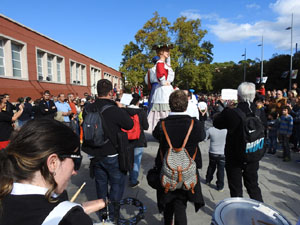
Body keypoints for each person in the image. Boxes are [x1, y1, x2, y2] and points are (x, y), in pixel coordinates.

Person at [0, 119, 106, 225]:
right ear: (53, 163)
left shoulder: (5, 199)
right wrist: (73, 216)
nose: (74, 172)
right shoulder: (73, 220)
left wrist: (74, 210)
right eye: (76, 160)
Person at [83, 79, 133, 222]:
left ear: (97, 91)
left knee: (100, 184)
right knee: (116, 185)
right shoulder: (114, 109)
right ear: (111, 92)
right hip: (112, 154)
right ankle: (113, 215)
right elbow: (129, 125)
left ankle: (103, 213)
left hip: (94, 154)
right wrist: (122, 109)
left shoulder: (87, 108)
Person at [153, 90, 205, 225]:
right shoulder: (195, 124)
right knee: (181, 205)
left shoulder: (162, 124)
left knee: (168, 202)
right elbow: (202, 137)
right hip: (188, 171)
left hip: (167, 170)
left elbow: (155, 136)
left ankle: (168, 221)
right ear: (186, 105)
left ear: (170, 105)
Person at [213, 82, 264, 202]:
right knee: (253, 186)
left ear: (238, 96)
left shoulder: (232, 112)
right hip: (253, 151)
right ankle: (260, 211)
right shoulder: (259, 112)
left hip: (234, 155)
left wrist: (226, 109)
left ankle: (238, 214)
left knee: (236, 189)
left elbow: (217, 124)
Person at [123, 93, 149, 188]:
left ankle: (128, 175)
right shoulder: (141, 112)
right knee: (136, 160)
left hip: (126, 139)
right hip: (139, 139)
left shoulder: (123, 111)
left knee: (128, 158)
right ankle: (133, 180)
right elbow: (146, 127)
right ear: (138, 101)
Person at [147, 43, 175, 132]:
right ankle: (163, 130)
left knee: (166, 109)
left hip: (166, 89)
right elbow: (160, 74)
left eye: (168, 51)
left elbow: (168, 63)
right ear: (161, 52)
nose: (168, 52)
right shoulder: (159, 63)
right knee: (163, 111)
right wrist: (163, 81)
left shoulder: (164, 63)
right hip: (163, 90)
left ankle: (167, 130)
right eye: (166, 51)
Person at [205, 113, 227, 192]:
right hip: (223, 153)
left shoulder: (210, 130)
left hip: (213, 152)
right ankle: (220, 186)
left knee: (211, 166)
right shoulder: (226, 130)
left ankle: (208, 179)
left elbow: (204, 138)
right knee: (221, 170)